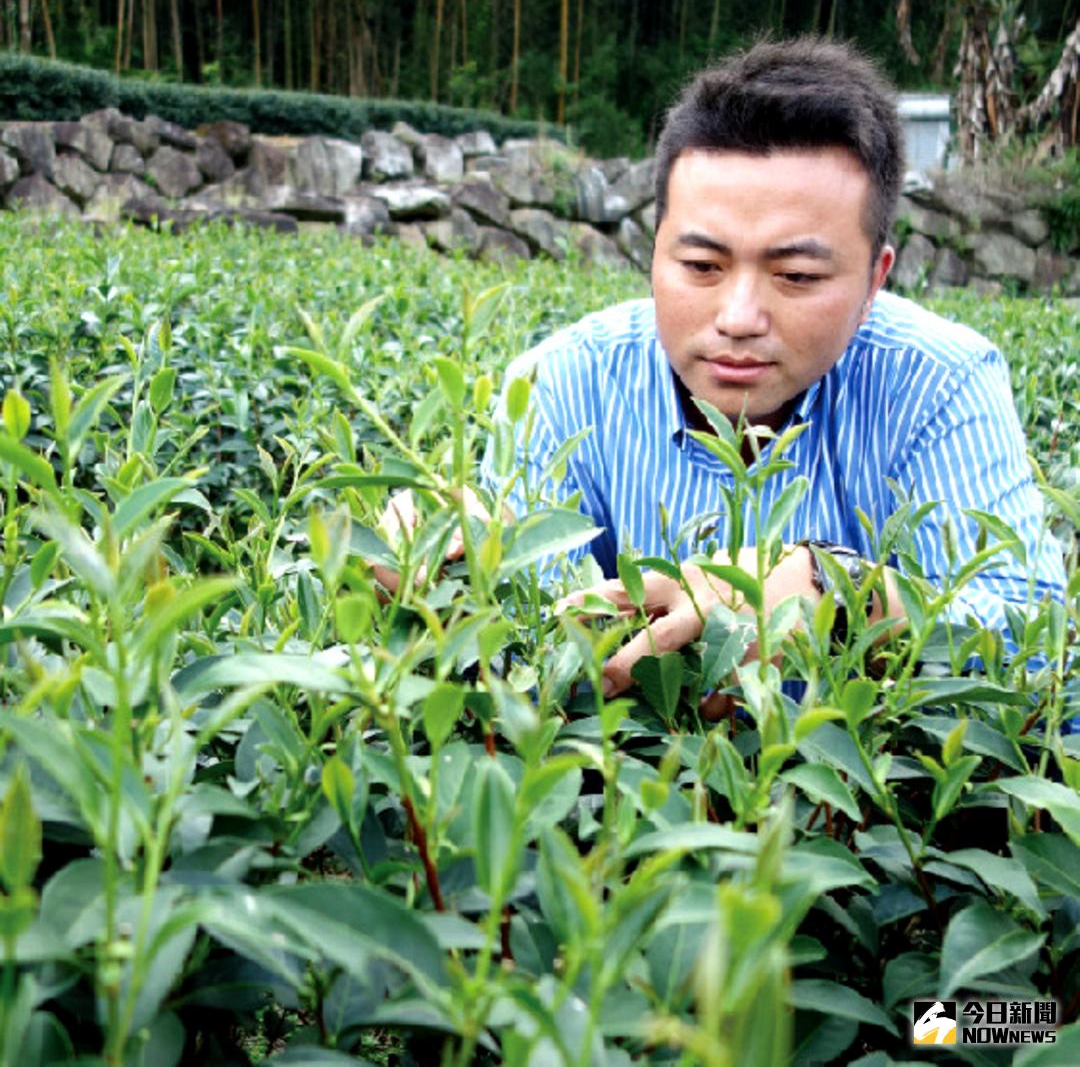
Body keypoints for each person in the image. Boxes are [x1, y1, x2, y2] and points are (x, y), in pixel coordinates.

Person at [384, 37, 1066, 702]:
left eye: (796, 274)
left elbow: (1032, 640)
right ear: (653, 254)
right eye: (702, 266)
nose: (739, 315)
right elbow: (533, 647)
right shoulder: (564, 381)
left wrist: (838, 590)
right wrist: (457, 565)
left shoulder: (939, 381)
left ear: (873, 281)